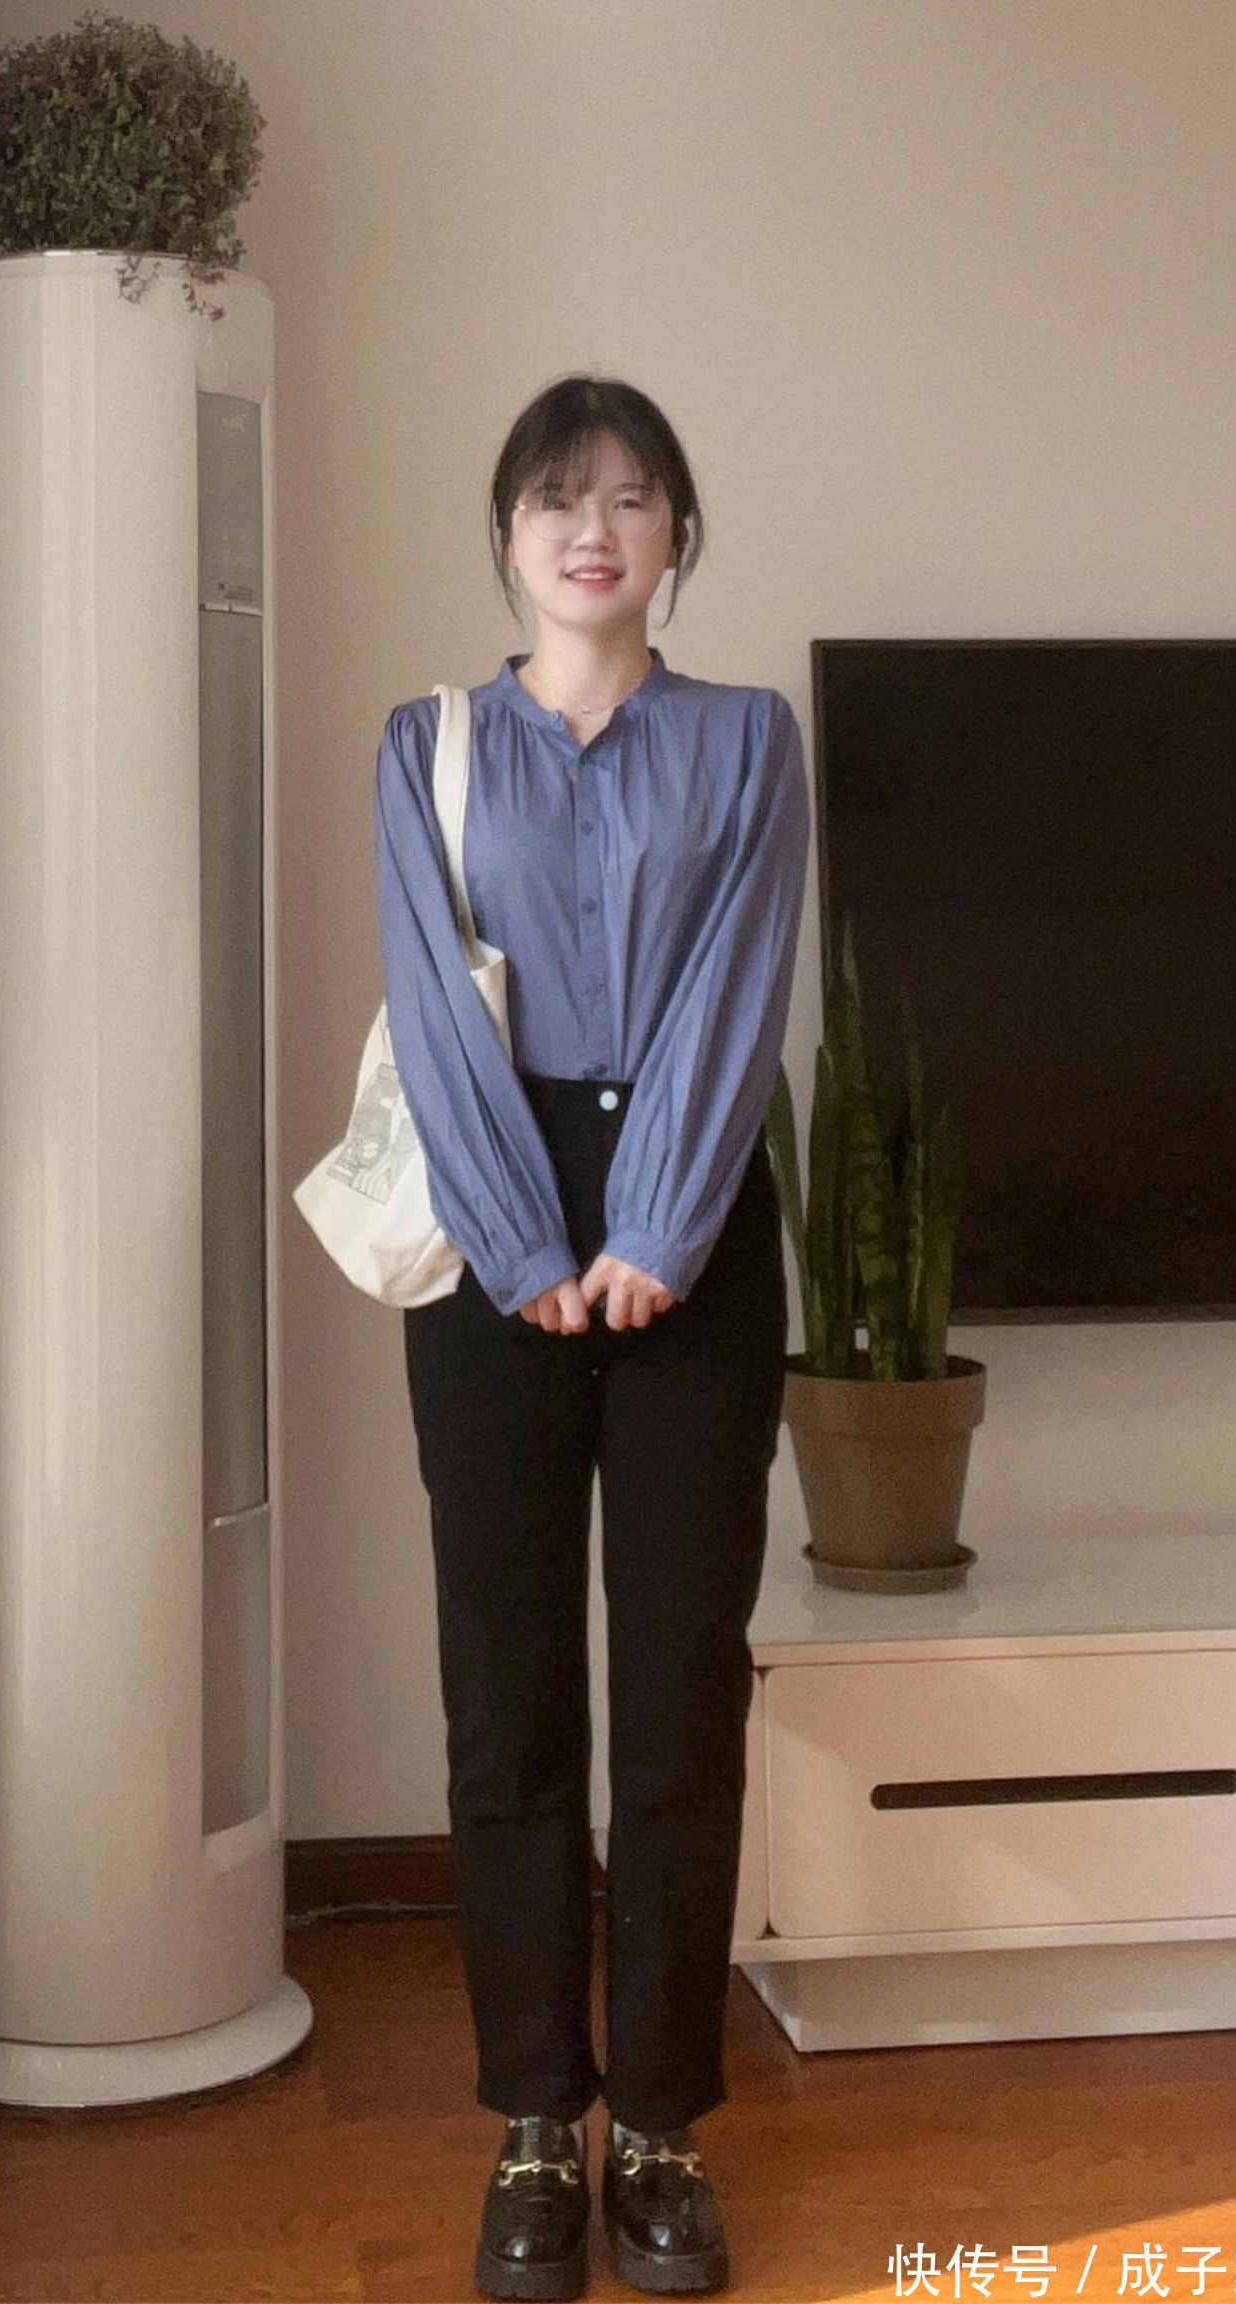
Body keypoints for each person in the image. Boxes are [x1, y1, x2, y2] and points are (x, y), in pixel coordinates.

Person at [372, 376, 810, 2301]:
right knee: (509, 1693)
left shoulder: (745, 739)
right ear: (507, 537)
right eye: (559, 499)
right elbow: (429, 997)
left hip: (689, 1214)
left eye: (633, 499)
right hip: (500, 1223)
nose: (594, 530)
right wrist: (522, 1239)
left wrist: (657, 1229)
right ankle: (540, 2120)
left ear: (677, 537)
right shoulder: (429, 744)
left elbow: (738, 983)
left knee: (682, 1697)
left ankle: (665, 2129)